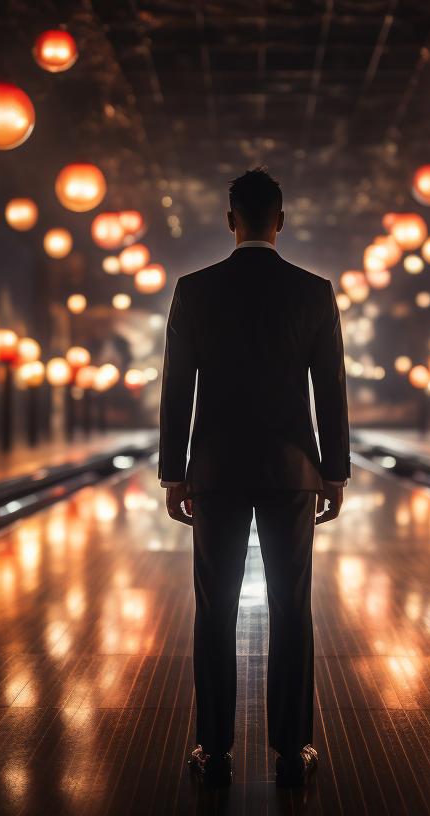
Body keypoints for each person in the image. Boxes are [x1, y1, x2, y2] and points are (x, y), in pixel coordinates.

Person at [158, 167, 350, 789]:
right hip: (293, 470)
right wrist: (334, 470)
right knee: (292, 608)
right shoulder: (314, 291)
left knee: (215, 611)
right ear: (282, 220)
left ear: (230, 218)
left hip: (214, 471)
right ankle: (292, 750)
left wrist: (173, 472)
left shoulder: (194, 289)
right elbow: (332, 392)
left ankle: (213, 752)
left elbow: (175, 391)